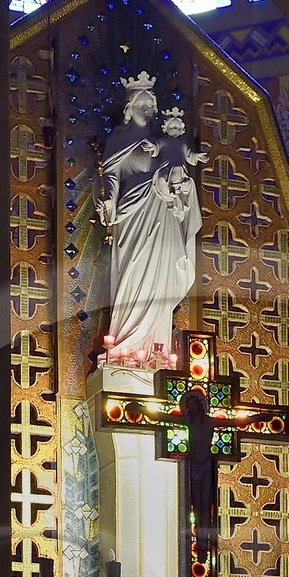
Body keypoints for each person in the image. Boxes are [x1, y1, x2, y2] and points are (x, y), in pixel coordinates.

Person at [98, 78, 204, 369]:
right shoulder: (119, 140)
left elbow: (178, 174)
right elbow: (112, 177)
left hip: (163, 216)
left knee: (160, 278)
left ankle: (154, 350)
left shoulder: (164, 144)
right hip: (133, 217)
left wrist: (182, 190)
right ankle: (123, 346)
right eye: (140, 103)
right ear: (129, 109)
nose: (146, 108)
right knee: (132, 276)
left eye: (150, 104)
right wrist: (109, 200)